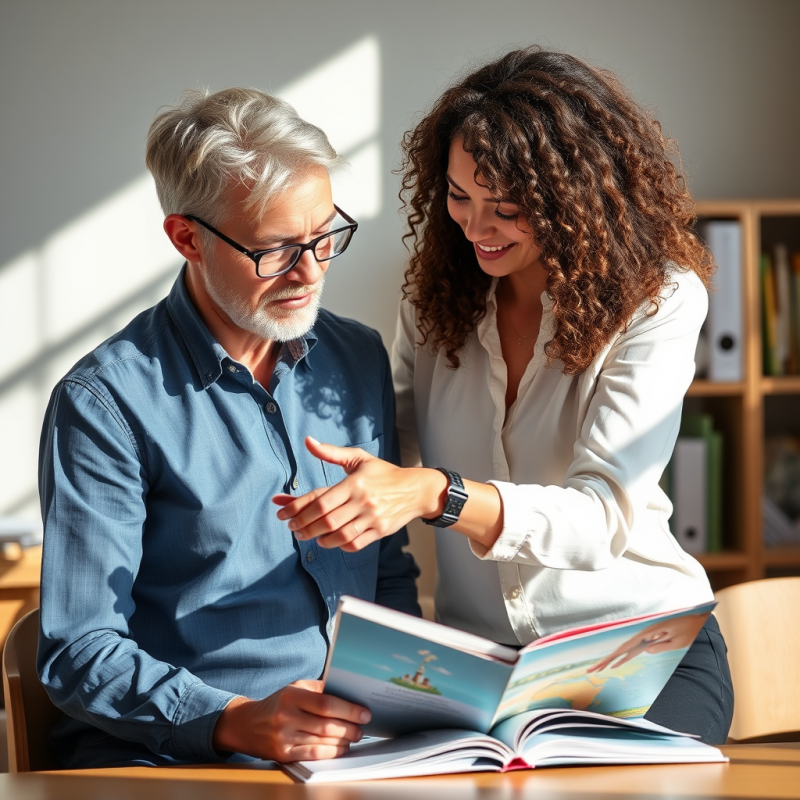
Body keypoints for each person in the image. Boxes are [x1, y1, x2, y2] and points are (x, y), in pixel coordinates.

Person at [277, 47, 734, 744]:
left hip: (641, 653)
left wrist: (438, 493)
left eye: (508, 209)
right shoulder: (436, 302)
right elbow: (386, 449)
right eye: (459, 196)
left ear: (576, 199)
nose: (475, 229)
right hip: (482, 667)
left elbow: (601, 516)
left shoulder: (658, 301)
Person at [37, 87, 420, 769]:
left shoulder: (356, 359)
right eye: (275, 251)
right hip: (181, 764)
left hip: (357, 756)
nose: (310, 272)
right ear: (187, 237)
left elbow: (386, 575)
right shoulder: (105, 405)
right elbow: (79, 650)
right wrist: (236, 722)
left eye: (324, 236)